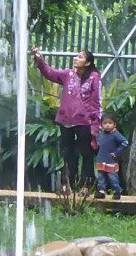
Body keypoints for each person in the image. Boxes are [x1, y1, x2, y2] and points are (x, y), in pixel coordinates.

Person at [38, 50, 105, 195]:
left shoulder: (94, 78)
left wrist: (95, 125)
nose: (76, 58)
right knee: (67, 153)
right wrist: (40, 60)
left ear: (88, 63)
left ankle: (87, 185)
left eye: (80, 57)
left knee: (86, 153)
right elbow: (49, 73)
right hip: (66, 120)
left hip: (85, 121)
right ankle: (67, 184)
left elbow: (97, 102)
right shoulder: (68, 74)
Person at [94, 115, 131, 197]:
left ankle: (117, 191)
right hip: (101, 158)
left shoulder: (115, 134)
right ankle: (101, 191)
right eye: (105, 123)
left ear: (114, 125)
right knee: (101, 177)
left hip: (111, 160)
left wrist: (116, 152)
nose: (107, 125)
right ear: (101, 125)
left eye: (110, 123)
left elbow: (125, 143)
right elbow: (99, 143)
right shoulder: (101, 134)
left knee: (112, 177)